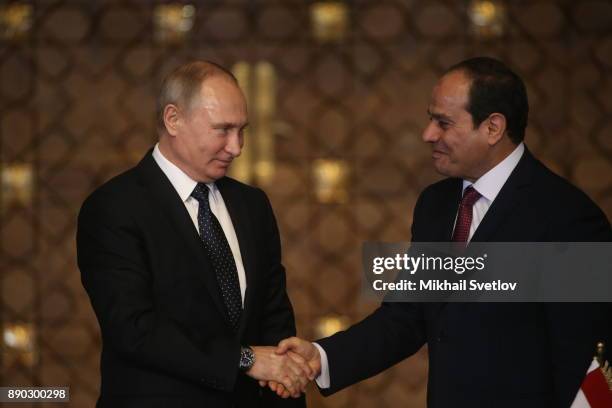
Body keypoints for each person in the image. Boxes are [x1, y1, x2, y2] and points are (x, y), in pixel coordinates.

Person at [274, 57, 612, 407]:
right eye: (430, 118)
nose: (428, 134)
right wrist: (321, 357)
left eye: (443, 123)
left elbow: (586, 363)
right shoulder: (436, 205)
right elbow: (407, 317)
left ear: (493, 127)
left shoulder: (568, 219)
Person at [77, 61, 312, 408]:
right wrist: (244, 359)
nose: (237, 147)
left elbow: (274, 318)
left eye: (242, 130)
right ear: (173, 119)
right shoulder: (114, 207)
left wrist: (287, 376)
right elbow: (133, 329)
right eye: (223, 130)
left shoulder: (252, 204)